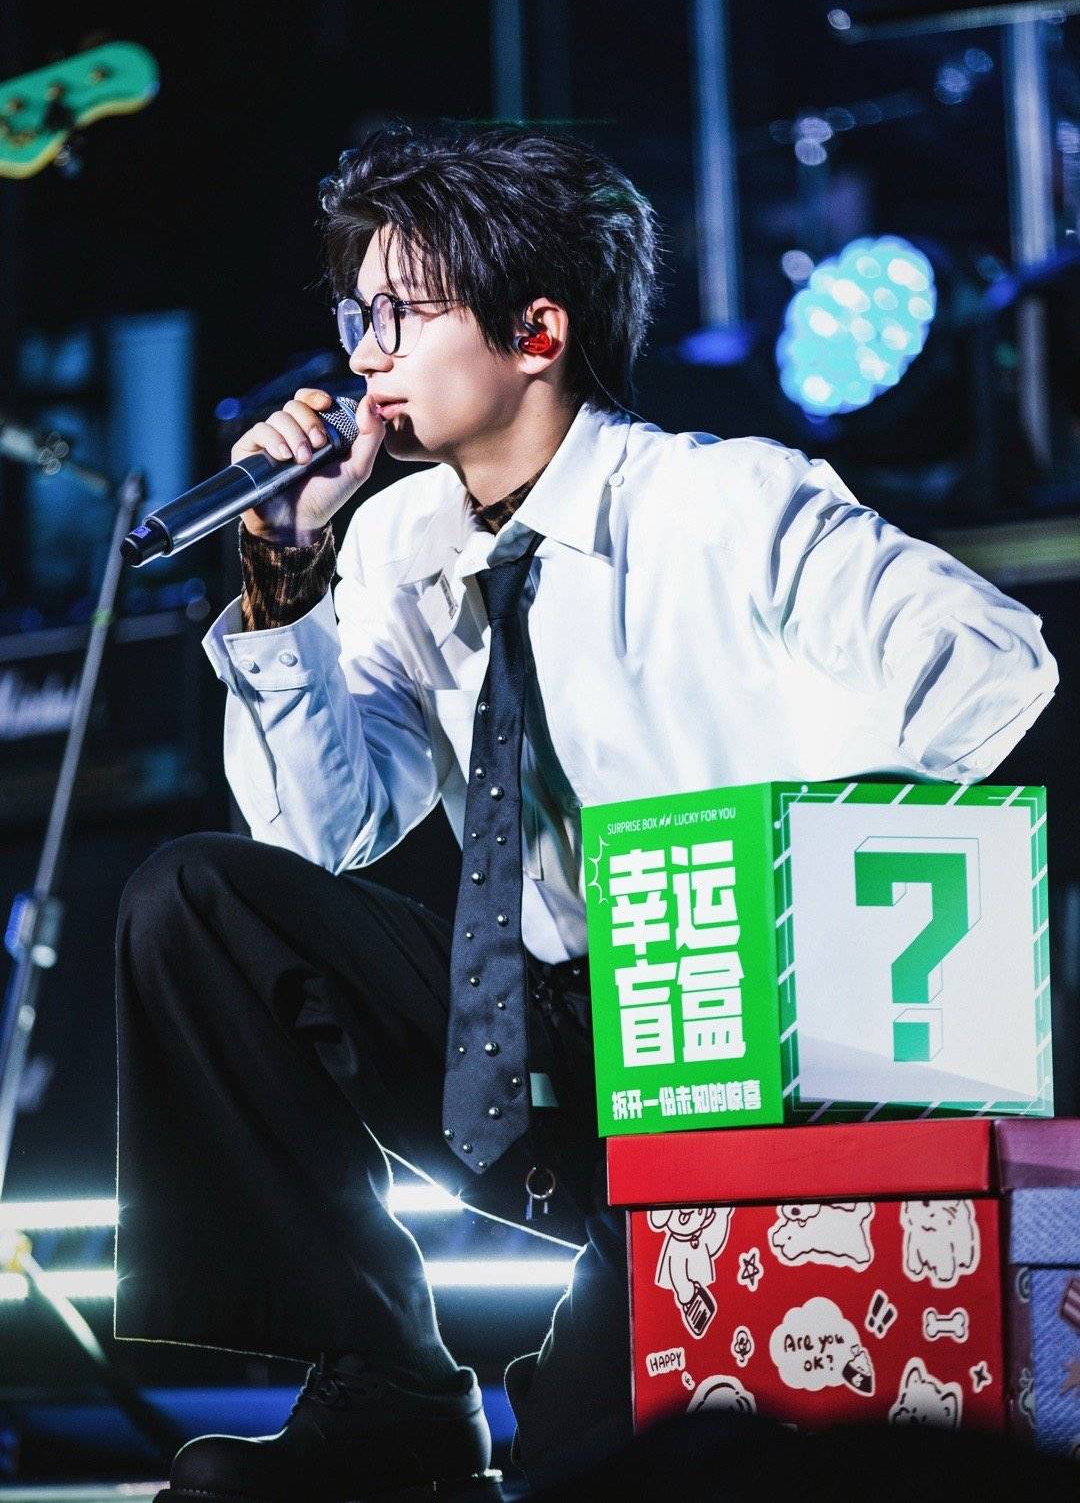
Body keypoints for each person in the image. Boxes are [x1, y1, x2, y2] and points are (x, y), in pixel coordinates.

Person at [113, 120, 1059, 1503]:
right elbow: (317, 838)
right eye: (356, 315)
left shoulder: (726, 501)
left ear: (537, 331)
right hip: (521, 1033)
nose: (365, 353)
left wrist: (791, 888)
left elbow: (996, 668)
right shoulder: (398, 543)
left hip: (727, 1038)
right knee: (198, 904)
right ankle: (386, 1380)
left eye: (402, 312)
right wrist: (284, 573)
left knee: (591, 1467)